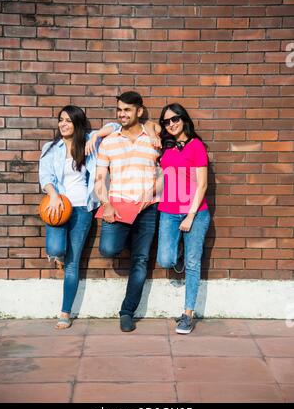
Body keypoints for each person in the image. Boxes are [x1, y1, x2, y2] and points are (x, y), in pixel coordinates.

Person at [39, 105, 120, 329]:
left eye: (68, 120)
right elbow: (44, 175)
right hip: (57, 206)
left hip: (83, 208)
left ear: (77, 123)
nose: (63, 124)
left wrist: (97, 136)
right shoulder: (50, 148)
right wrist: (53, 195)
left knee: (73, 263)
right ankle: (58, 254)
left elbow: (116, 127)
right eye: (61, 120)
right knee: (56, 249)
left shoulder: (89, 142)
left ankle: (65, 312)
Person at [94, 91, 160, 332]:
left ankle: (127, 312)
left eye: (127, 110)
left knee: (141, 260)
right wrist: (106, 203)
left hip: (147, 209)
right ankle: (129, 236)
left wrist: (152, 191)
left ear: (139, 111)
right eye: (119, 110)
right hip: (119, 206)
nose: (122, 114)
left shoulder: (153, 139)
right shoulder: (109, 141)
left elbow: (164, 172)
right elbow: (100, 178)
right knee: (108, 249)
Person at [156, 103, 210, 334]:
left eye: (175, 119)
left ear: (183, 119)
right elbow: (163, 178)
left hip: (195, 213)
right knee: (165, 260)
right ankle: (178, 253)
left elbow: (203, 184)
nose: (171, 124)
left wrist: (189, 215)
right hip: (168, 210)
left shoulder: (196, 146)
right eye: (166, 122)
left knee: (192, 264)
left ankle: (188, 314)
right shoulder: (166, 147)